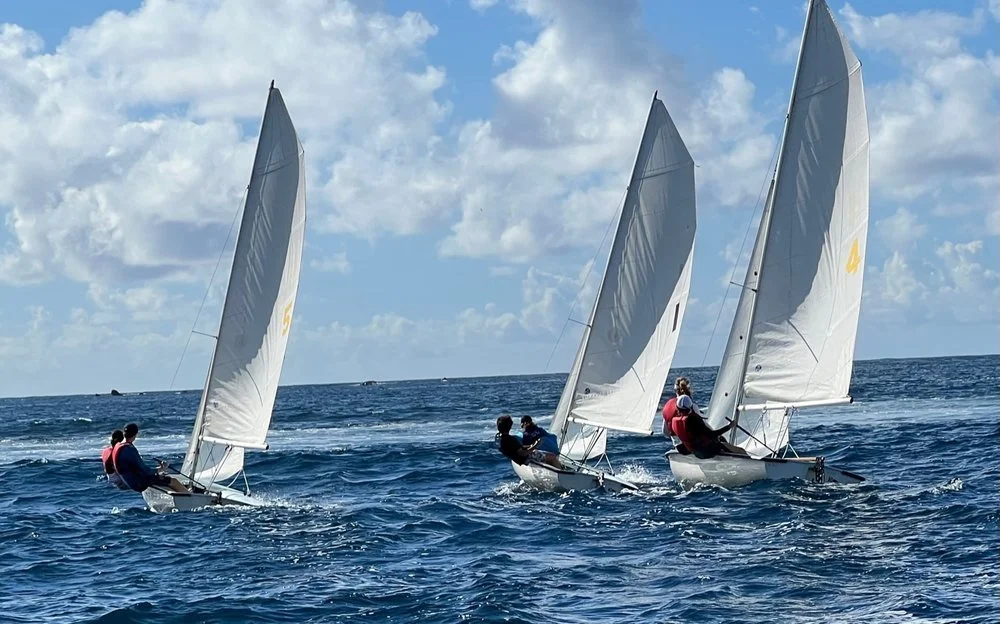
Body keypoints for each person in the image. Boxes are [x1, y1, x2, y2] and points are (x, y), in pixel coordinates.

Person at [112, 423, 189, 494]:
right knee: (173, 481)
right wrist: (161, 469)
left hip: (128, 482)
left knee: (163, 477)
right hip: (139, 483)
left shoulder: (118, 445)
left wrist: (157, 472)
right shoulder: (129, 449)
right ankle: (189, 497)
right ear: (136, 435)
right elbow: (145, 470)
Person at [670, 395, 748, 460]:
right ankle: (748, 461)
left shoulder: (674, 421)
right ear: (691, 407)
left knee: (721, 439)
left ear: (677, 408)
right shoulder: (692, 420)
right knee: (741, 451)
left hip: (695, 452)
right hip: (707, 452)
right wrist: (729, 426)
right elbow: (712, 434)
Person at [495, 415, 561, 469]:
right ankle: (561, 472)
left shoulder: (498, 437)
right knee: (553, 457)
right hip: (525, 459)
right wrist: (535, 445)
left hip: (520, 457)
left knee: (547, 455)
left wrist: (531, 445)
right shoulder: (510, 439)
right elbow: (523, 453)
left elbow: (518, 448)